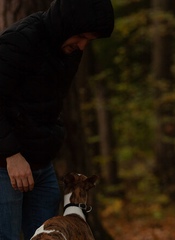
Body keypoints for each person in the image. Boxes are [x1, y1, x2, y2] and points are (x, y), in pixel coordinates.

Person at [0, 0, 114, 239]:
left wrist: (51, 140)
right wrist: (10, 155)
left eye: (89, 40)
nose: (82, 46)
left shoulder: (68, 50)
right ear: (65, 25)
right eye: (81, 36)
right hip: (6, 167)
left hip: (41, 167)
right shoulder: (19, 41)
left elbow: (49, 102)